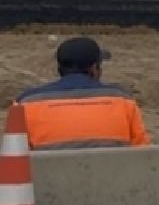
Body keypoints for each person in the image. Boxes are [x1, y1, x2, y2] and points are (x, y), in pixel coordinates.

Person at [13, 36, 151, 150]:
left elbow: (13, 155)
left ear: (59, 68)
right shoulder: (122, 100)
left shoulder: (26, 103)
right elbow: (142, 154)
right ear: (94, 68)